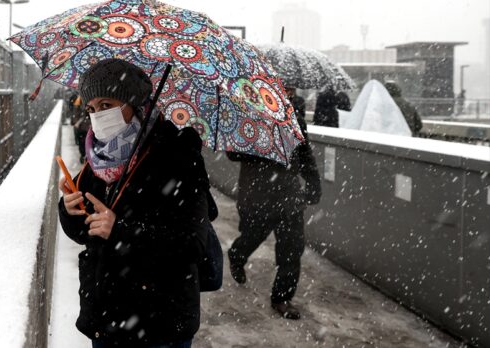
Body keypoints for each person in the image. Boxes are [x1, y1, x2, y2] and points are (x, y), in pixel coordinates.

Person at [58, 59, 213, 347]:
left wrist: (120, 231)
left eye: (106, 105)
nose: (97, 117)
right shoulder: (98, 159)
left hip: (160, 322)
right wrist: (69, 209)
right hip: (105, 318)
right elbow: (84, 232)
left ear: (134, 103)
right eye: (91, 109)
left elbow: (192, 244)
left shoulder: (178, 155)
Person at [226, 110, 322, 320]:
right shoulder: (248, 112)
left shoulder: (293, 116)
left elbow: (304, 152)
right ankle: (237, 255)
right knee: (253, 236)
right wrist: (260, 140)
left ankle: (282, 298)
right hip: (257, 194)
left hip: (289, 195)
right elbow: (232, 153)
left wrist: (314, 182)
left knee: (292, 248)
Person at [70, 94, 90, 163]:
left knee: (83, 143)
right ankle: (84, 157)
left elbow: (75, 116)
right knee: (83, 143)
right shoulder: (78, 101)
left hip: (83, 128)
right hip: (83, 128)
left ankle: (84, 157)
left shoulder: (77, 101)